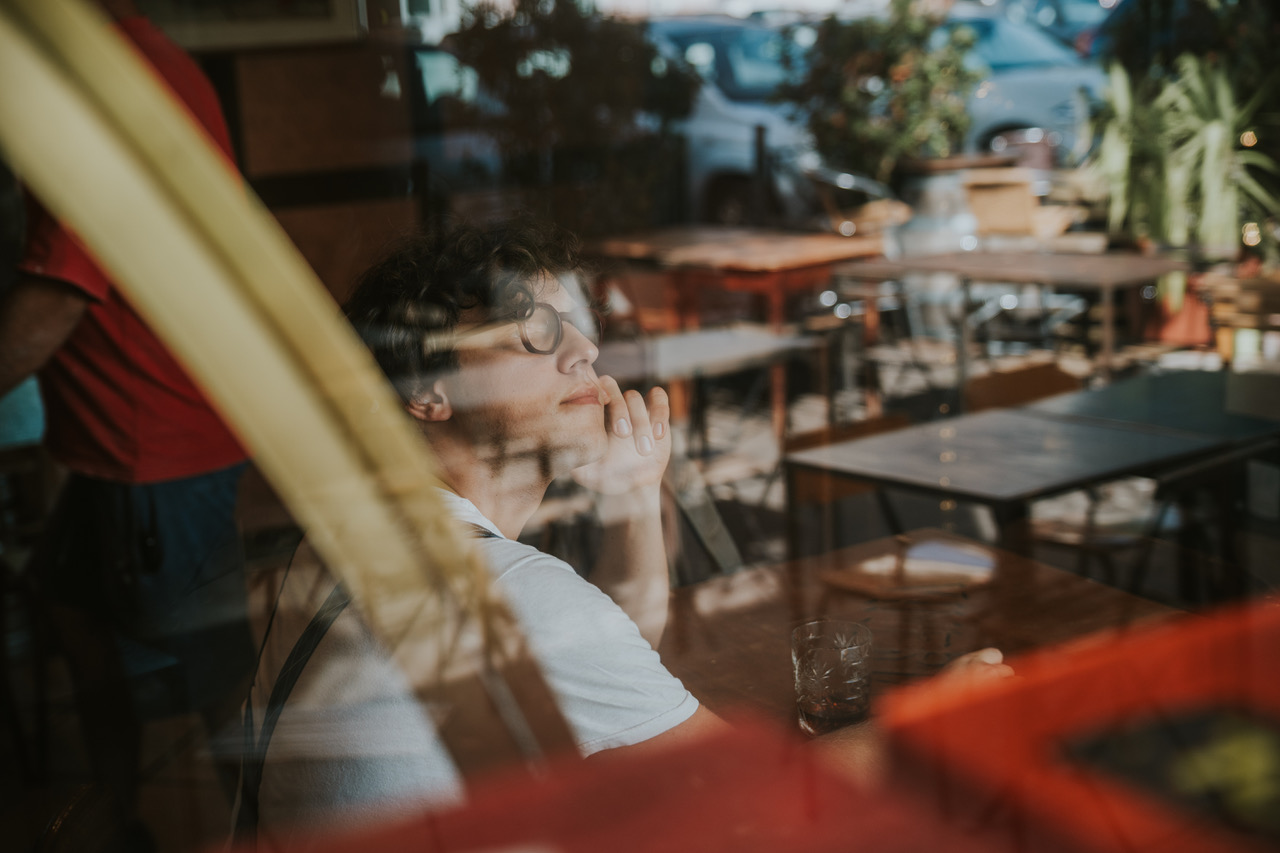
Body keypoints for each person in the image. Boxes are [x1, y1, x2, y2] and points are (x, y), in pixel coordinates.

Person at [238, 220, 1013, 842]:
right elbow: (758, 803)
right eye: (536, 333)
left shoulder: (349, 543)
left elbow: (608, 660)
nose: (586, 352)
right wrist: (943, 728)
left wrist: (634, 492)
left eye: (580, 327)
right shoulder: (516, 595)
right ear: (427, 389)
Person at [0, 0, 254, 835]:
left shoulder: (108, 85)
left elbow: (55, 302)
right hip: (120, 441)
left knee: (216, 678)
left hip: (157, 446)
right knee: (72, 609)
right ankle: (116, 815)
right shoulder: (147, 59)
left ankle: (263, 831)